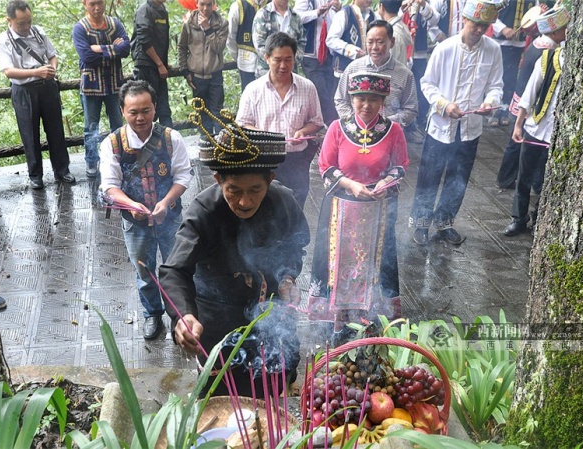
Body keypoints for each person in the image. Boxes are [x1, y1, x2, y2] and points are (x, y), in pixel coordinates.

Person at [160, 111, 311, 397]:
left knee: (270, 393)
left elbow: (295, 245)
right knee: (223, 399)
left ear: (270, 179)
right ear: (218, 180)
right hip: (218, 318)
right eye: (234, 190)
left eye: (255, 189)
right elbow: (174, 271)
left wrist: (287, 277)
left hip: (271, 315)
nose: (244, 201)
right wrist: (183, 316)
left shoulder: (283, 201)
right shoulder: (203, 212)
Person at [309, 72, 409, 337]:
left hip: (378, 209)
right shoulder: (336, 128)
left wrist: (383, 184)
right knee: (336, 262)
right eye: (361, 99)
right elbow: (326, 167)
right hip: (340, 210)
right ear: (351, 99)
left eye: (373, 100)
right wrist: (352, 185)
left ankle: (372, 315)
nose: (367, 105)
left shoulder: (393, 130)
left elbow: (400, 167)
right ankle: (336, 316)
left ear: (383, 101)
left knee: (377, 262)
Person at [99, 80, 193, 340]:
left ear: (154, 108)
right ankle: (152, 314)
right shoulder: (113, 143)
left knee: (178, 267)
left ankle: (181, 317)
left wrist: (165, 202)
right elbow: (109, 185)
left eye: (146, 110)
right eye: (133, 112)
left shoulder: (171, 138)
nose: (140, 117)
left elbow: (184, 175)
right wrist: (131, 205)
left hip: (170, 218)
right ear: (122, 111)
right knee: (144, 270)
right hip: (134, 222)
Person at [409, 0, 504, 246]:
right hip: (441, 127)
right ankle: (420, 223)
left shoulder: (493, 49)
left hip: (471, 128)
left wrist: (490, 102)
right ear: (465, 19)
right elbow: (427, 83)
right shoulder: (445, 48)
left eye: (485, 26)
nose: (480, 30)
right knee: (430, 175)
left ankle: (444, 222)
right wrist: (444, 104)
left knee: (458, 177)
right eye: (477, 24)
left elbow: (496, 85)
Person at [236, 32, 324, 209]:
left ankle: (296, 237)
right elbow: (242, 123)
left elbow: (316, 121)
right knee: (266, 206)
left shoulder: (307, 87)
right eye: (277, 59)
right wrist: (261, 134)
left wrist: (303, 131)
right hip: (263, 159)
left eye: (288, 59)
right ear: (267, 58)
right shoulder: (253, 90)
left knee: (296, 205)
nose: (283, 65)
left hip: (297, 159)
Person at [0, 0, 76, 190]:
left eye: (29, 21)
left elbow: (52, 55)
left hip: (47, 86)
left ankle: (62, 170)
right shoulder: (3, 40)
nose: (26, 27)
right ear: (10, 20)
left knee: (56, 129)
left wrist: (51, 69)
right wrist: (35, 72)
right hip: (24, 90)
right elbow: (8, 71)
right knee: (30, 134)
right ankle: (35, 175)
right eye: (21, 23)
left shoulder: (39, 32)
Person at [503, 6, 569, 237]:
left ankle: (539, 216)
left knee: (546, 181)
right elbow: (531, 91)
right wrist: (519, 123)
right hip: (536, 127)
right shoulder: (549, 56)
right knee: (524, 177)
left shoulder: (576, 60)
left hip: (558, 132)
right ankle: (518, 218)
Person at [495, 2, 564, 190]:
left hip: (521, 97)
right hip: (528, 103)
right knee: (519, 142)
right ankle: (511, 178)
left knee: (515, 141)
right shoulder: (548, 51)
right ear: (555, 32)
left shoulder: (538, 43)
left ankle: (506, 177)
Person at [73, 0, 130, 178]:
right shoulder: (80, 28)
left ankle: (121, 158)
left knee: (118, 124)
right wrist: (114, 49)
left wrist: (99, 48)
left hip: (114, 85)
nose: (96, 8)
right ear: (85, 4)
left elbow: (126, 48)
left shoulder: (115, 23)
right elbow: (86, 56)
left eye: (99, 3)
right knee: (91, 127)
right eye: (92, 4)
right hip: (91, 86)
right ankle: (92, 161)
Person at [334, 21, 418, 130]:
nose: (374, 47)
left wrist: (384, 123)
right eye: (370, 42)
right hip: (356, 132)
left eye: (380, 42)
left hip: (389, 134)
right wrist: (354, 123)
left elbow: (410, 109)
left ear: (392, 42)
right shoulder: (353, 68)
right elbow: (340, 100)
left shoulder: (405, 74)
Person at [178, 0, 229, 136]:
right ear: (197, 4)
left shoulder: (222, 23)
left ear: (214, 4)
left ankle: (221, 144)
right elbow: (182, 47)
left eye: (208, 4)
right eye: (202, 4)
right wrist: (185, 71)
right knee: (201, 112)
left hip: (215, 75)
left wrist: (208, 29)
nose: (205, 8)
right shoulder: (189, 23)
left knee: (217, 112)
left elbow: (219, 47)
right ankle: (206, 144)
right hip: (196, 76)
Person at [488, 0, 537, 127]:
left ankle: (504, 111)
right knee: (497, 78)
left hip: (518, 44)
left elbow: (533, 14)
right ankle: (493, 111)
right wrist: (503, 29)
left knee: (511, 79)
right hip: (500, 43)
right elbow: (491, 11)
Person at [296, 0, 342, 125]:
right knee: (321, 93)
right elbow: (296, 17)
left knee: (333, 93)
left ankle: (331, 126)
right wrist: (316, 12)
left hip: (330, 54)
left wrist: (339, 9)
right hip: (312, 55)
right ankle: (330, 126)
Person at [131, 0, 173, 127]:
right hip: (146, 66)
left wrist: (163, 63)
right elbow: (144, 39)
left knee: (164, 109)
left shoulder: (162, 10)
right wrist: (159, 63)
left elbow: (161, 39)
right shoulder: (144, 10)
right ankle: (147, 143)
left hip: (159, 66)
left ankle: (169, 142)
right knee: (148, 108)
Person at [251, 0, 306, 78]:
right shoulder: (263, 14)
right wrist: (274, 60)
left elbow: (302, 41)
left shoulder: (295, 17)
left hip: (290, 72)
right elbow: (258, 42)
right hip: (266, 72)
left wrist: (293, 59)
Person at [325, 0, 375, 80]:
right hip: (345, 70)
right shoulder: (343, 14)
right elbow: (331, 40)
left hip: (366, 70)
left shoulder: (372, 15)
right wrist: (351, 51)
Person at [226, 0, 268, 90]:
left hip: (270, 64)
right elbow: (230, 37)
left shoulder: (272, 5)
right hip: (247, 63)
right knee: (248, 95)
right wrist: (237, 56)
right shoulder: (238, 6)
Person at [376, 0, 412, 67]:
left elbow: (388, 65)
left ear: (381, 7)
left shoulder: (392, 34)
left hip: (393, 76)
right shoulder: (401, 27)